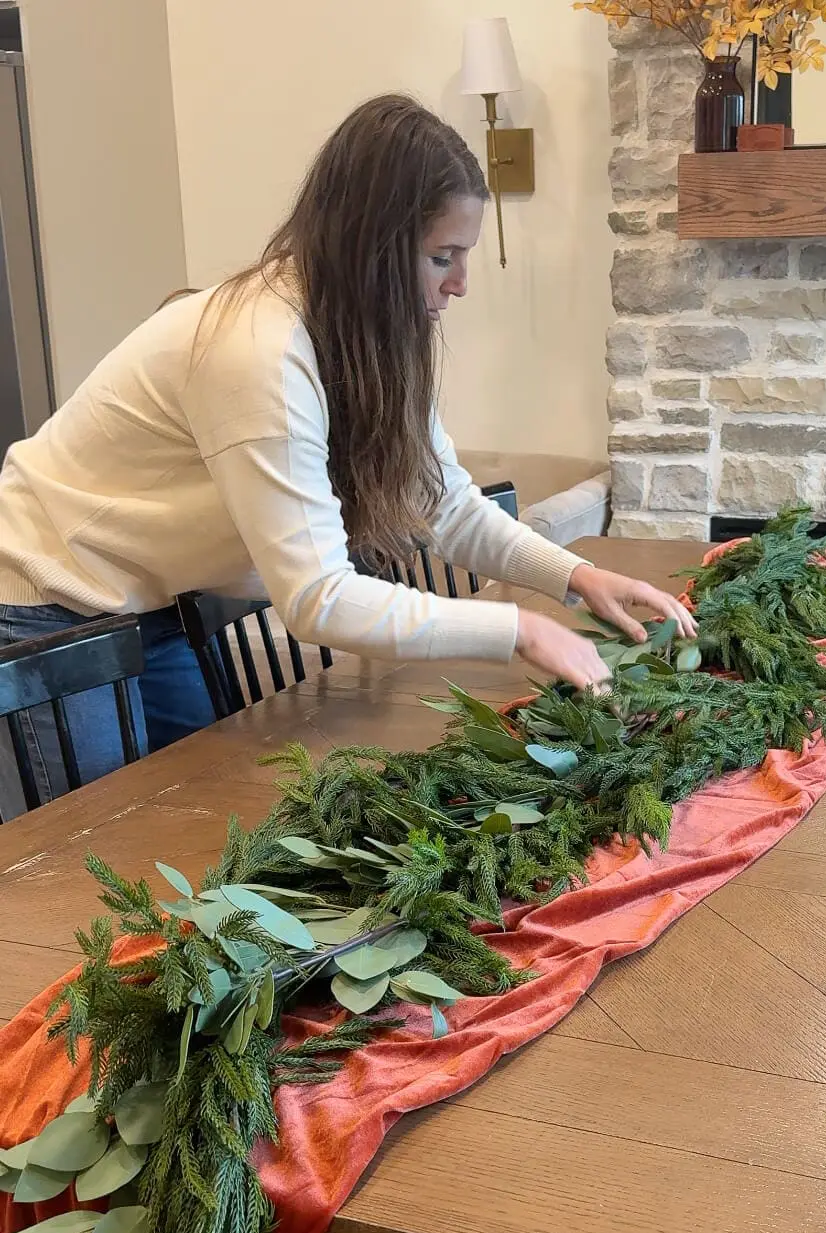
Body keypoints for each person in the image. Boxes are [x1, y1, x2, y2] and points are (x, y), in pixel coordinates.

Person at [0, 93, 693, 801]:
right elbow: (319, 599)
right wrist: (518, 628)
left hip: (145, 598)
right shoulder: (259, 353)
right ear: (373, 246)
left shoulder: (372, 340)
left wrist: (576, 576)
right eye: (442, 257)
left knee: (201, 805)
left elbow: (446, 506)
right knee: (103, 843)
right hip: (48, 599)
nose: (461, 283)